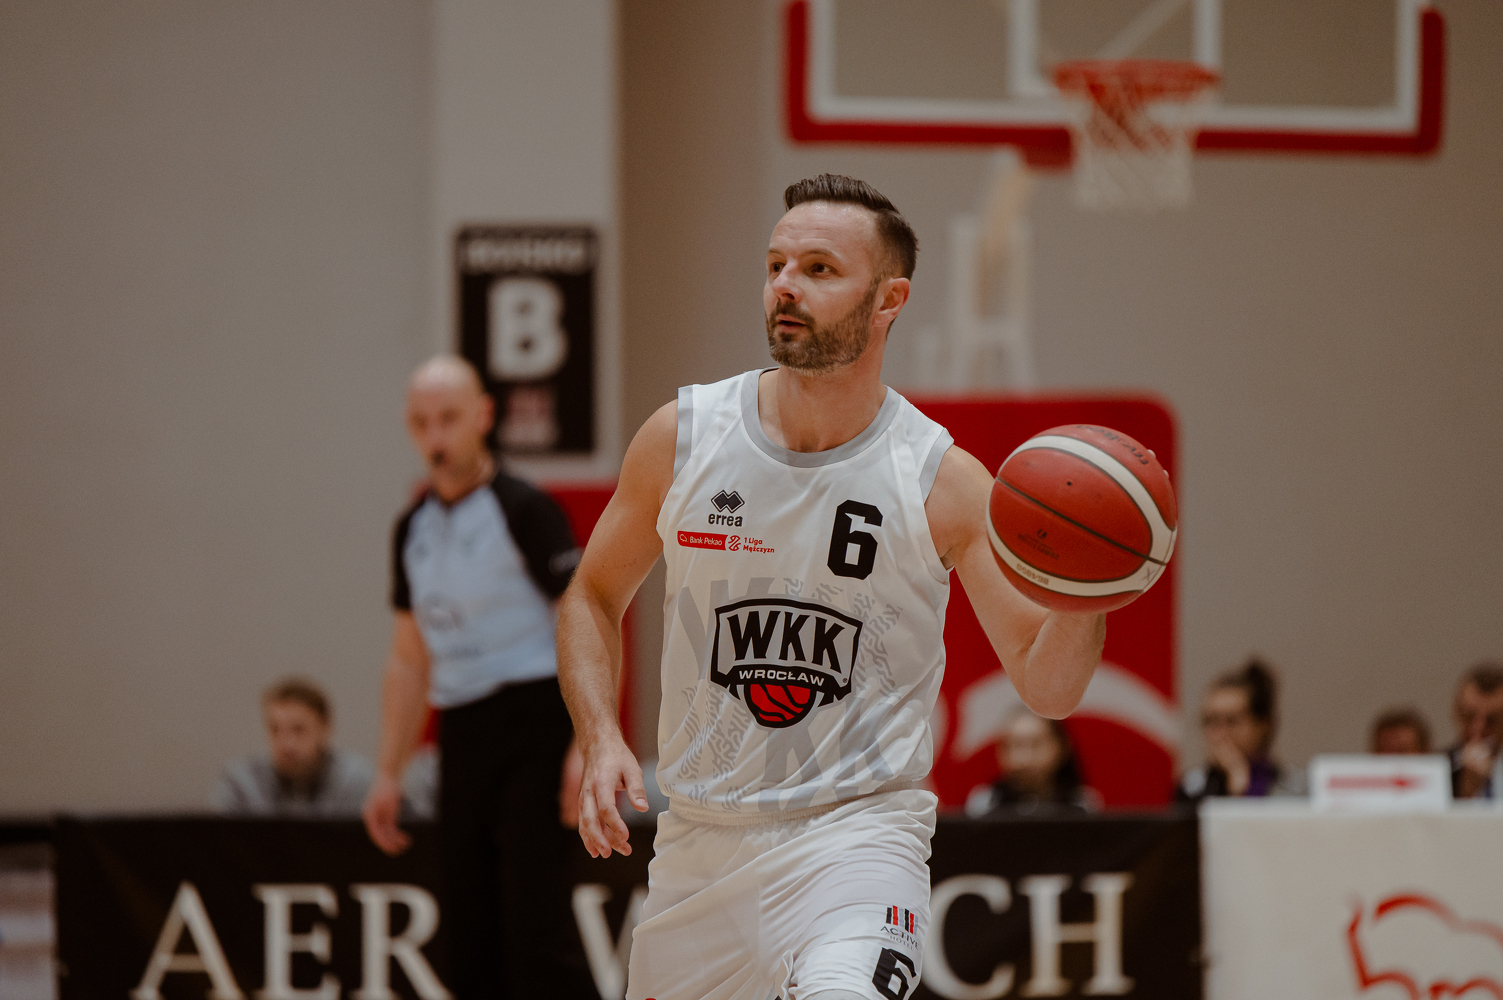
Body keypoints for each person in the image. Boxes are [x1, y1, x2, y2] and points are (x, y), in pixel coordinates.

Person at [557, 174, 1106, 1000]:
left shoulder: (941, 479)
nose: (785, 285)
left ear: (889, 300)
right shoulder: (683, 438)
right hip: (698, 848)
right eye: (776, 264)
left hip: (857, 844)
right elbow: (590, 596)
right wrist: (599, 736)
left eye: (818, 269)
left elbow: (1047, 684)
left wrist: (1087, 599)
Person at [362, 355, 588, 999]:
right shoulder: (411, 529)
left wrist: (588, 744)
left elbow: (588, 621)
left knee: (535, 929)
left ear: (484, 416)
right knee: (468, 934)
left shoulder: (524, 509)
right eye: (421, 422)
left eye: (449, 418)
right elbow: (409, 659)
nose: (436, 436)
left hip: (535, 725)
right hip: (460, 731)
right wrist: (388, 771)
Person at [210, 677, 373, 817]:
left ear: (325, 729)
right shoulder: (240, 782)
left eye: (298, 730)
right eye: (275, 730)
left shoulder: (356, 782)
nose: (286, 744)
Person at [1176, 658, 1305, 802]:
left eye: (1232, 722)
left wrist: (1241, 784)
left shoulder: (1294, 789)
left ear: (1263, 725)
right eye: (1211, 721)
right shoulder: (1190, 789)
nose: (1219, 734)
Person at [964, 711, 1100, 817]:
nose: (1024, 758)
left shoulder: (1082, 803)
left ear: (1061, 748)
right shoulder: (984, 803)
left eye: (1035, 745)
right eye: (1016, 745)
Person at [1447, 661, 1503, 800]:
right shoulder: (1438, 769)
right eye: (1469, 717)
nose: (1477, 728)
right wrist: (1467, 791)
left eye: (1491, 721)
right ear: (1457, 712)